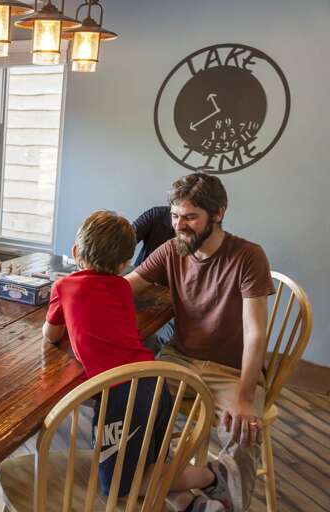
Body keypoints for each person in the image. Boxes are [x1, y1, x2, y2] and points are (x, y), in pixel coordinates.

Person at [43, 210, 228, 512]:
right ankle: (194, 504)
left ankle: (212, 475)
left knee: (119, 484)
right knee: (150, 464)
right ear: (124, 264)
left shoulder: (64, 286)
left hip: (121, 394)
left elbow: (51, 335)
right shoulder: (121, 288)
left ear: (76, 251)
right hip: (155, 381)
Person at [126, 173, 275, 512]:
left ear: (218, 213)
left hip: (232, 370)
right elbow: (125, 288)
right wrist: (81, 286)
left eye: (190, 217)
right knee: (134, 405)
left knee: (243, 431)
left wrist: (244, 396)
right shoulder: (171, 250)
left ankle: (220, 500)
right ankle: (192, 492)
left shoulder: (249, 256)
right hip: (180, 359)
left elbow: (255, 333)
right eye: (175, 216)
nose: (180, 225)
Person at [132, 206, 175, 352]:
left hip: (170, 297)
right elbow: (125, 241)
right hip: (141, 281)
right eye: (176, 215)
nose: (180, 223)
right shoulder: (157, 215)